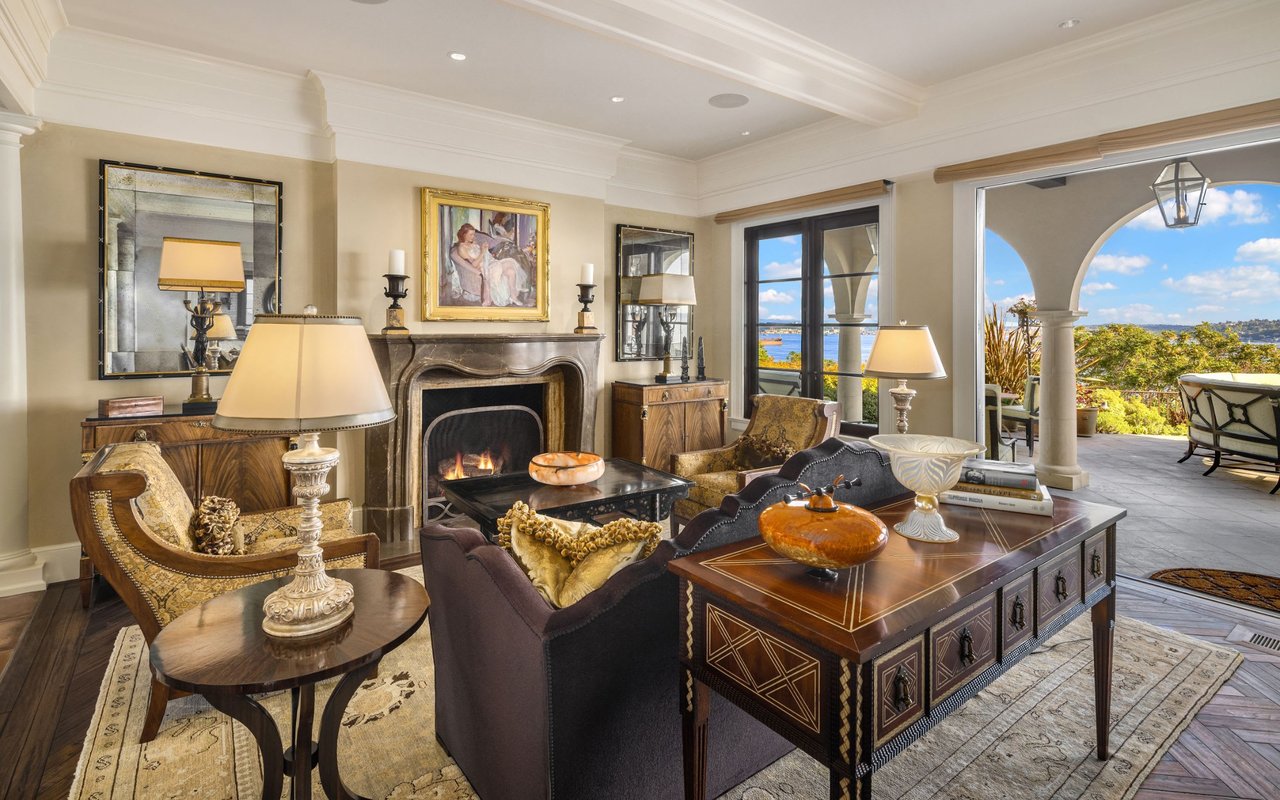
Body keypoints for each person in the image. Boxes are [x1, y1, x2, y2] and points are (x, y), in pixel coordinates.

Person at [451, 223, 526, 306]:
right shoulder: (462, 248)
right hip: (485, 267)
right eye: (471, 235)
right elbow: (473, 265)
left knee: (511, 271)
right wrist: (483, 252)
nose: (473, 236)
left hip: (490, 262)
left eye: (473, 234)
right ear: (464, 235)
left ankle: (513, 297)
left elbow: (482, 254)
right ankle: (511, 297)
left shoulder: (473, 242)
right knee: (510, 264)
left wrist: (485, 249)